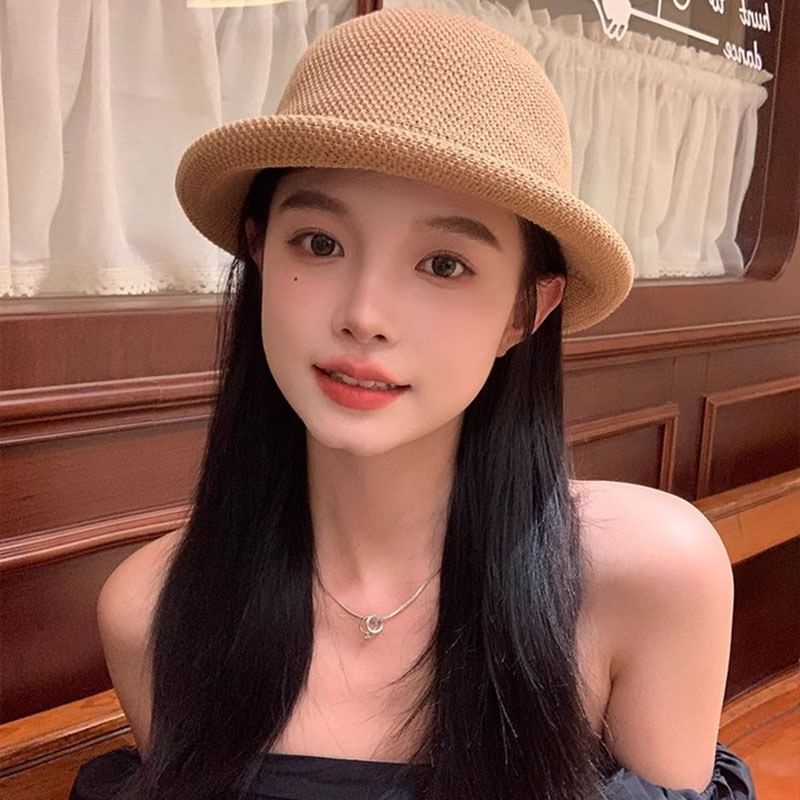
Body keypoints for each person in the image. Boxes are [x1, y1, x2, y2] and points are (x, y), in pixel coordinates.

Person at [69, 7, 757, 800]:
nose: (364, 314)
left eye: (444, 264)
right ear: (259, 251)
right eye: (319, 243)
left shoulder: (649, 576)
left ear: (526, 311)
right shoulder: (156, 611)